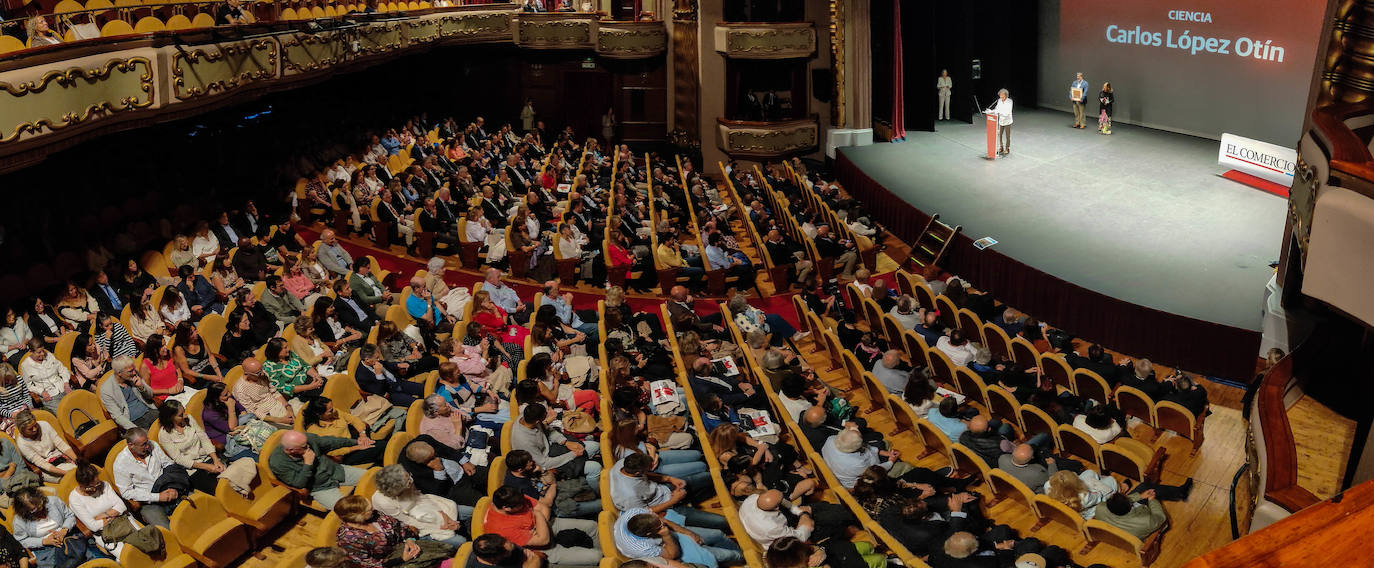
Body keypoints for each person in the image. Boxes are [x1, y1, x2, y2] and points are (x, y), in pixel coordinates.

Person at [483, 486, 601, 566]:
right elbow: (543, 541)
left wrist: (538, 524)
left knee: (592, 526)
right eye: (520, 505)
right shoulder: (500, 528)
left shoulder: (512, 496)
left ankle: (603, 549)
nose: (524, 504)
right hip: (542, 548)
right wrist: (537, 515)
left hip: (546, 524)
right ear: (507, 508)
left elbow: (545, 509)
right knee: (596, 556)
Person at [334, 495, 452, 568]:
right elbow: (366, 563)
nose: (373, 509)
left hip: (405, 546)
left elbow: (400, 525)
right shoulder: (347, 539)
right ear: (358, 516)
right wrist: (401, 559)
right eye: (369, 510)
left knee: (447, 549)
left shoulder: (377, 515)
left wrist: (410, 540)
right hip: (391, 562)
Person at [269, 430, 371, 509]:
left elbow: (331, 442)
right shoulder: (277, 462)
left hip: (336, 471)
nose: (308, 446)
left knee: (373, 478)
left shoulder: (306, 439)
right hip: (321, 488)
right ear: (290, 450)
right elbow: (298, 483)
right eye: (304, 446)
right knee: (349, 509)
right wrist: (308, 464)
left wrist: (355, 442)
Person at [372, 465, 468, 547]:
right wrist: (441, 525)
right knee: (460, 541)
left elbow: (421, 498)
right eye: (408, 482)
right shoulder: (383, 502)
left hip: (425, 508)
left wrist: (444, 516)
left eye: (409, 477)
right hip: (414, 526)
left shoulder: (406, 479)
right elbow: (408, 522)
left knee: (469, 511)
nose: (411, 480)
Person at [68, 460, 143, 559]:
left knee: (145, 543)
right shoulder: (74, 499)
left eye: (97, 482)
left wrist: (104, 515)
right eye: (93, 485)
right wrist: (114, 512)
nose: (97, 486)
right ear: (82, 486)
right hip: (105, 533)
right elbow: (93, 526)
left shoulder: (104, 485)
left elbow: (121, 506)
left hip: (124, 521)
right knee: (128, 556)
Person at [111, 428, 178, 528]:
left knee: (195, 504)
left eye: (147, 442)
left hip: (168, 487)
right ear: (131, 445)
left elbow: (168, 464)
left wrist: (173, 484)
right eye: (143, 445)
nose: (147, 446)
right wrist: (158, 497)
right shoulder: (120, 464)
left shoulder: (152, 445)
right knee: (165, 528)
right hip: (148, 502)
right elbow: (126, 492)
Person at [155, 400, 224, 494]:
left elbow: (204, 438)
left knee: (228, 478)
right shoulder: (164, 435)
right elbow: (179, 459)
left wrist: (215, 459)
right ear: (171, 417)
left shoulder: (189, 419)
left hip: (206, 457)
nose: (185, 416)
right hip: (193, 468)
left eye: (184, 412)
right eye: (180, 415)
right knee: (217, 489)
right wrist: (206, 467)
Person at [13, 486, 86, 567]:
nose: (40, 510)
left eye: (40, 504)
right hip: (45, 549)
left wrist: (64, 530)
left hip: (68, 537)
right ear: (25, 511)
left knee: (88, 556)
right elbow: (21, 540)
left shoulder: (53, 501)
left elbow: (70, 516)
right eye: (34, 509)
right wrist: (44, 541)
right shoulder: (19, 521)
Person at [13, 409, 77, 483]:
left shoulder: (44, 425)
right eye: (30, 429)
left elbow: (60, 444)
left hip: (60, 456)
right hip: (47, 468)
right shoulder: (22, 443)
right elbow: (41, 463)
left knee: (79, 471)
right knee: (71, 478)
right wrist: (65, 473)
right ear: (22, 430)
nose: (35, 429)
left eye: (35, 425)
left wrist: (77, 460)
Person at [100, 356, 158, 430]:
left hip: (149, 411)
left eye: (133, 369)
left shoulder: (134, 375)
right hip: (133, 421)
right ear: (119, 373)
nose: (134, 372)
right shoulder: (106, 390)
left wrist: (141, 387)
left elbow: (150, 395)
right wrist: (135, 429)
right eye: (130, 371)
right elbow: (117, 416)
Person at [18, 339, 69, 413]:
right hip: (49, 395)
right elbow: (28, 385)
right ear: (31, 352)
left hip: (62, 387)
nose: (42, 354)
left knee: (78, 403)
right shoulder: (26, 366)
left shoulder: (49, 355)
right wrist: (41, 392)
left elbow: (62, 369)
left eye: (43, 350)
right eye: (39, 352)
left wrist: (66, 383)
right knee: (63, 412)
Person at [1093, 492, 1166, 540]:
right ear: (1131, 505)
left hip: (1118, 532)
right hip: (1145, 520)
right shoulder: (1146, 521)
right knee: (1150, 489)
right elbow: (1160, 517)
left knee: (1143, 488)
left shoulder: (1100, 508)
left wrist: (1139, 496)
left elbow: (1119, 503)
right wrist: (1152, 500)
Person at [987, 88, 1014, 156]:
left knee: (1007, 136)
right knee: (1000, 135)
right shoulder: (999, 101)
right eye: (1000, 95)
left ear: (1006, 95)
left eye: (1002, 95)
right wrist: (990, 111)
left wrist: (1000, 112)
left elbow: (1007, 112)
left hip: (1007, 121)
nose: (1001, 97)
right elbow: (997, 109)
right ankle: (1001, 147)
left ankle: (1007, 148)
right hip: (1001, 120)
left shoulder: (1010, 101)